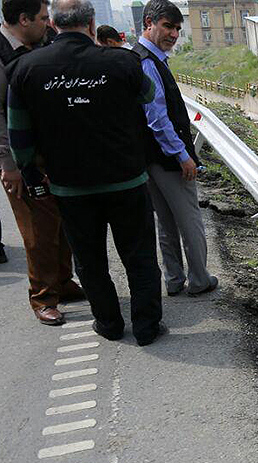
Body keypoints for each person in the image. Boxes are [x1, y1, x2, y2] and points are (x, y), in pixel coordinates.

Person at [8, 0, 166, 344]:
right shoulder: (122, 61)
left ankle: (108, 324)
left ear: (52, 22)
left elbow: (19, 134)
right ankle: (146, 327)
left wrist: (31, 174)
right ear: (92, 24)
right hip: (126, 180)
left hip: (70, 187)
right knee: (139, 256)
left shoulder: (26, 69)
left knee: (90, 261)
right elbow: (149, 94)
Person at [1, 0, 86, 324]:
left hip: (50, 155)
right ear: (23, 20)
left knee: (60, 223)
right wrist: (10, 166)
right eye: (41, 18)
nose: (47, 24)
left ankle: (63, 282)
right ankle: (42, 297)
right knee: (37, 233)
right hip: (20, 161)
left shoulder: (36, 45)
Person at [134, 0, 217, 297]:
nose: (173, 34)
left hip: (150, 159)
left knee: (166, 222)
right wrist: (183, 156)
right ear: (149, 23)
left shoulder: (144, 58)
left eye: (178, 29)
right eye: (168, 26)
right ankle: (199, 279)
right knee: (190, 221)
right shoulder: (147, 62)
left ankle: (173, 279)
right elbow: (157, 119)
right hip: (167, 159)